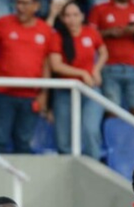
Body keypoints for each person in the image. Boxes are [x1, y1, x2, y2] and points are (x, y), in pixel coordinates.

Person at [0, 0, 57, 153]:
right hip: (3, 94)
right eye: (19, 3)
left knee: (23, 142)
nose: (21, 8)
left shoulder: (45, 30)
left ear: (36, 6)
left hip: (30, 96)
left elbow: (46, 63)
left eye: (26, 4)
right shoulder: (3, 23)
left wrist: (44, 93)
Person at [46, 0, 107, 158]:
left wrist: (96, 69)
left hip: (90, 89)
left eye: (75, 15)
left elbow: (103, 52)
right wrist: (82, 73)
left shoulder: (91, 32)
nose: (71, 19)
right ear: (62, 18)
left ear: (82, 16)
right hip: (64, 90)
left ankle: (93, 165)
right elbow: (56, 65)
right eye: (67, 16)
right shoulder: (57, 36)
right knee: (63, 138)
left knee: (90, 129)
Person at [88, 0, 134, 120]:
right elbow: (89, 35)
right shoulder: (99, 8)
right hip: (109, 66)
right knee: (112, 112)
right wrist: (109, 32)